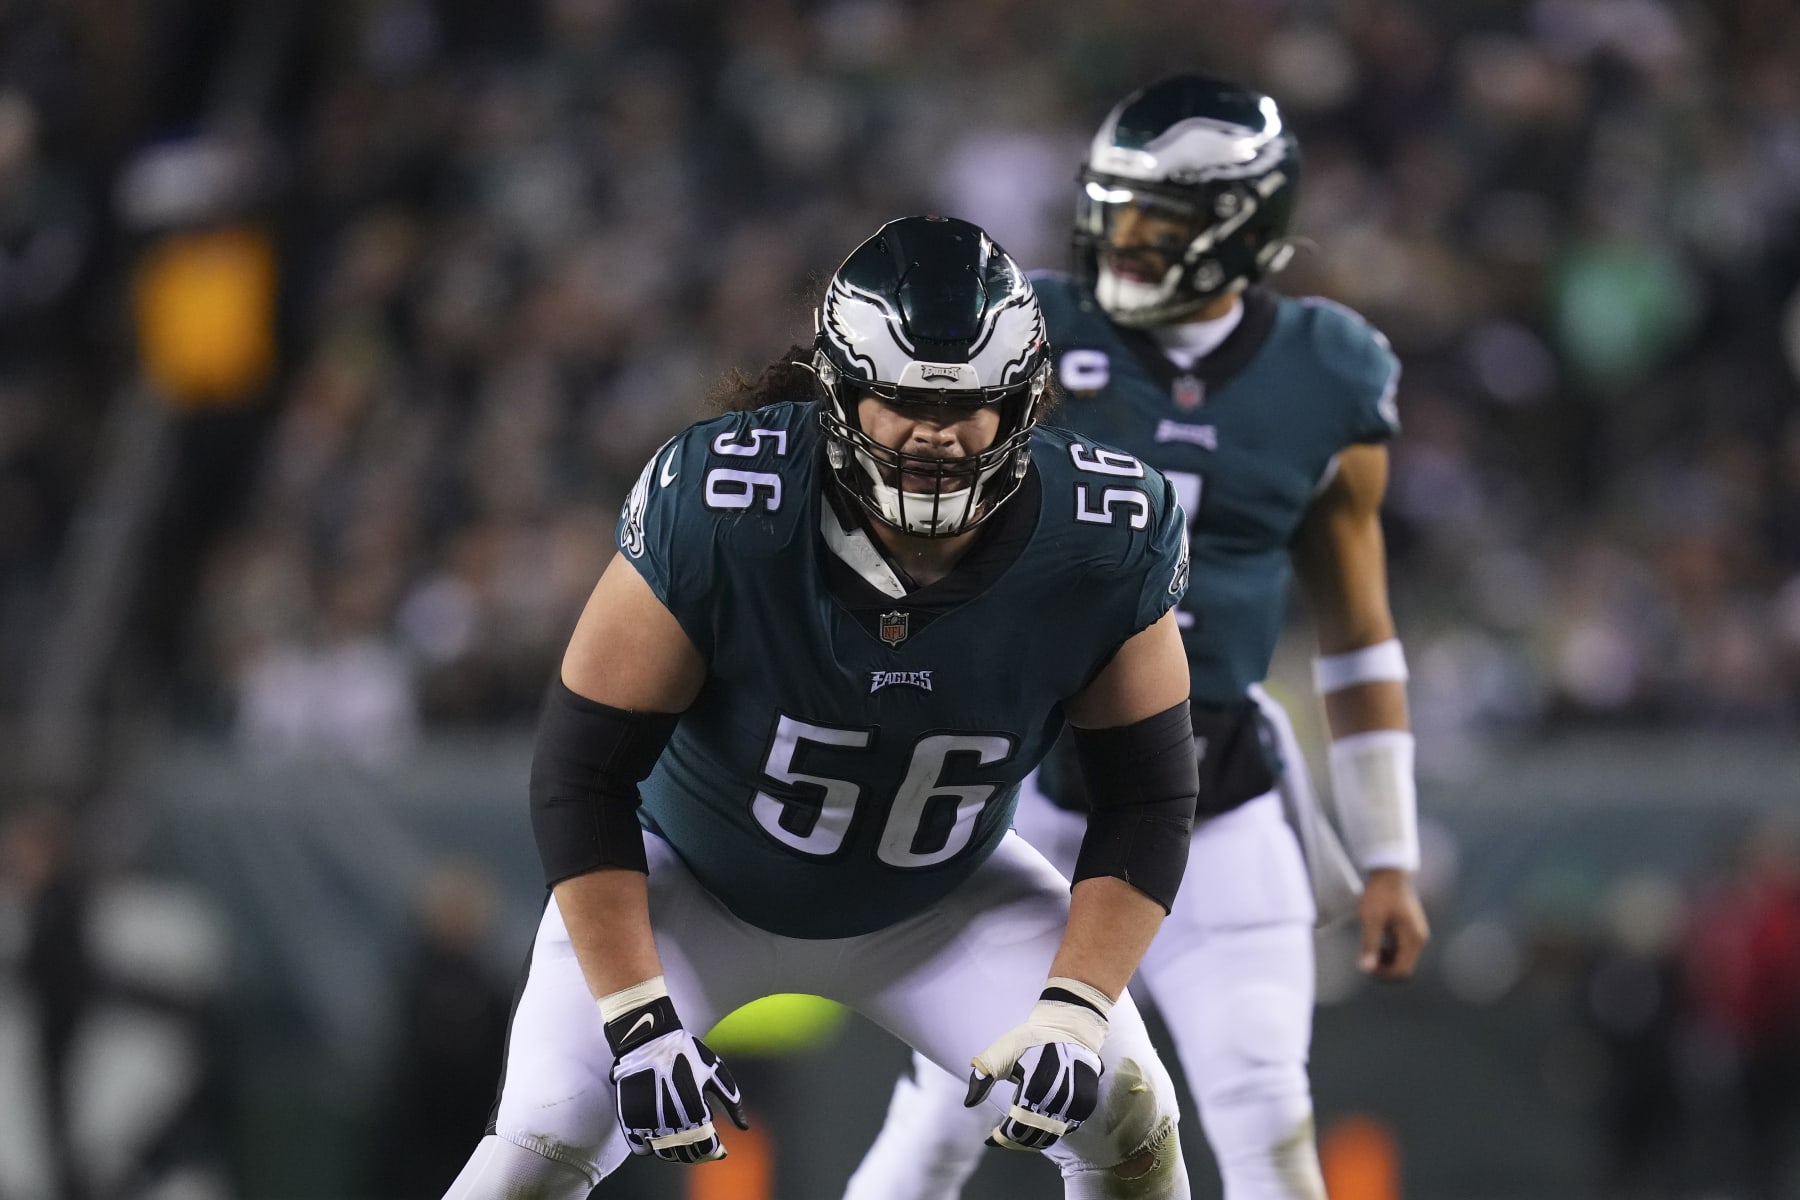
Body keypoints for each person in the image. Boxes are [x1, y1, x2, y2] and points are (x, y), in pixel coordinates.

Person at [440, 214, 1203, 1200]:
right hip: (693, 886)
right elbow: (582, 771)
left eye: (971, 403)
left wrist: (1076, 1004)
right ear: (838, 390)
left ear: (1025, 401)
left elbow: (1148, 797)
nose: (936, 433)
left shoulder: (1104, 535)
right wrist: (637, 1017)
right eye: (899, 399)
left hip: (943, 899)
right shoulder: (724, 503)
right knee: (546, 1136)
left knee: (1127, 1114)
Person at [844, 75, 1431, 1200]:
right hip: (1039, 792)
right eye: (1111, 212)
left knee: (1268, 1124)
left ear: (1238, 229)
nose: (1122, 241)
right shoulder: (1034, 334)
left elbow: (1358, 632)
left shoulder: (1329, 371)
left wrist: (1390, 850)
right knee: (943, 1118)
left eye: (1154, 223)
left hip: (1219, 796)